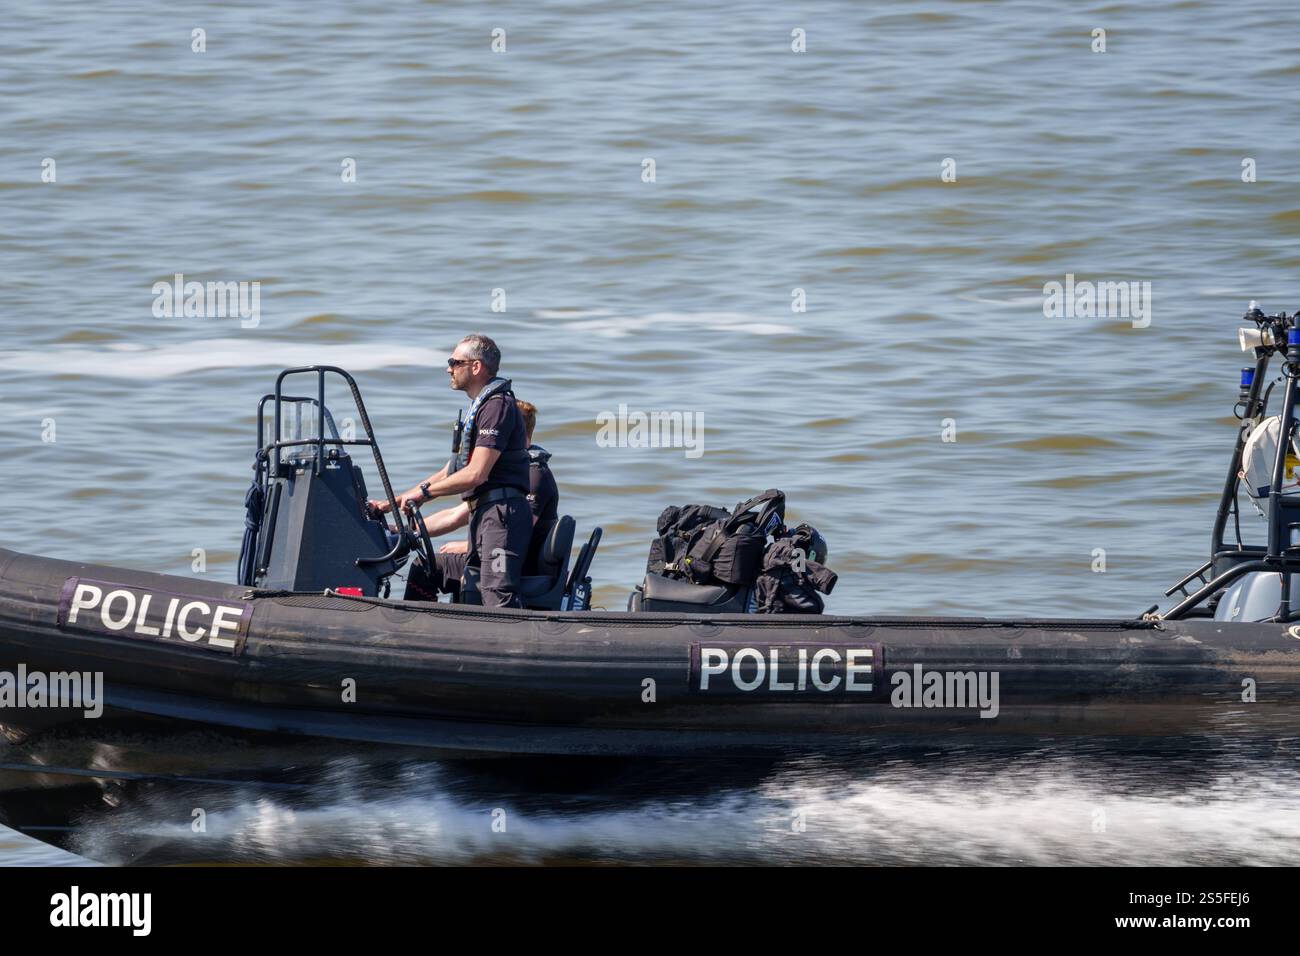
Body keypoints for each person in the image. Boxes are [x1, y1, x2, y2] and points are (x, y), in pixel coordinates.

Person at [371, 333, 532, 608]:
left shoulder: (496, 405)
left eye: (454, 362)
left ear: (476, 366)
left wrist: (423, 494)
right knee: (473, 590)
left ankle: (515, 646)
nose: (448, 368)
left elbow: (476, 474)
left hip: (501, 515)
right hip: (484, 515)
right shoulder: (481, 405)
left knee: (497, 596)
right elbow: (452, 470)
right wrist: (392, 503)